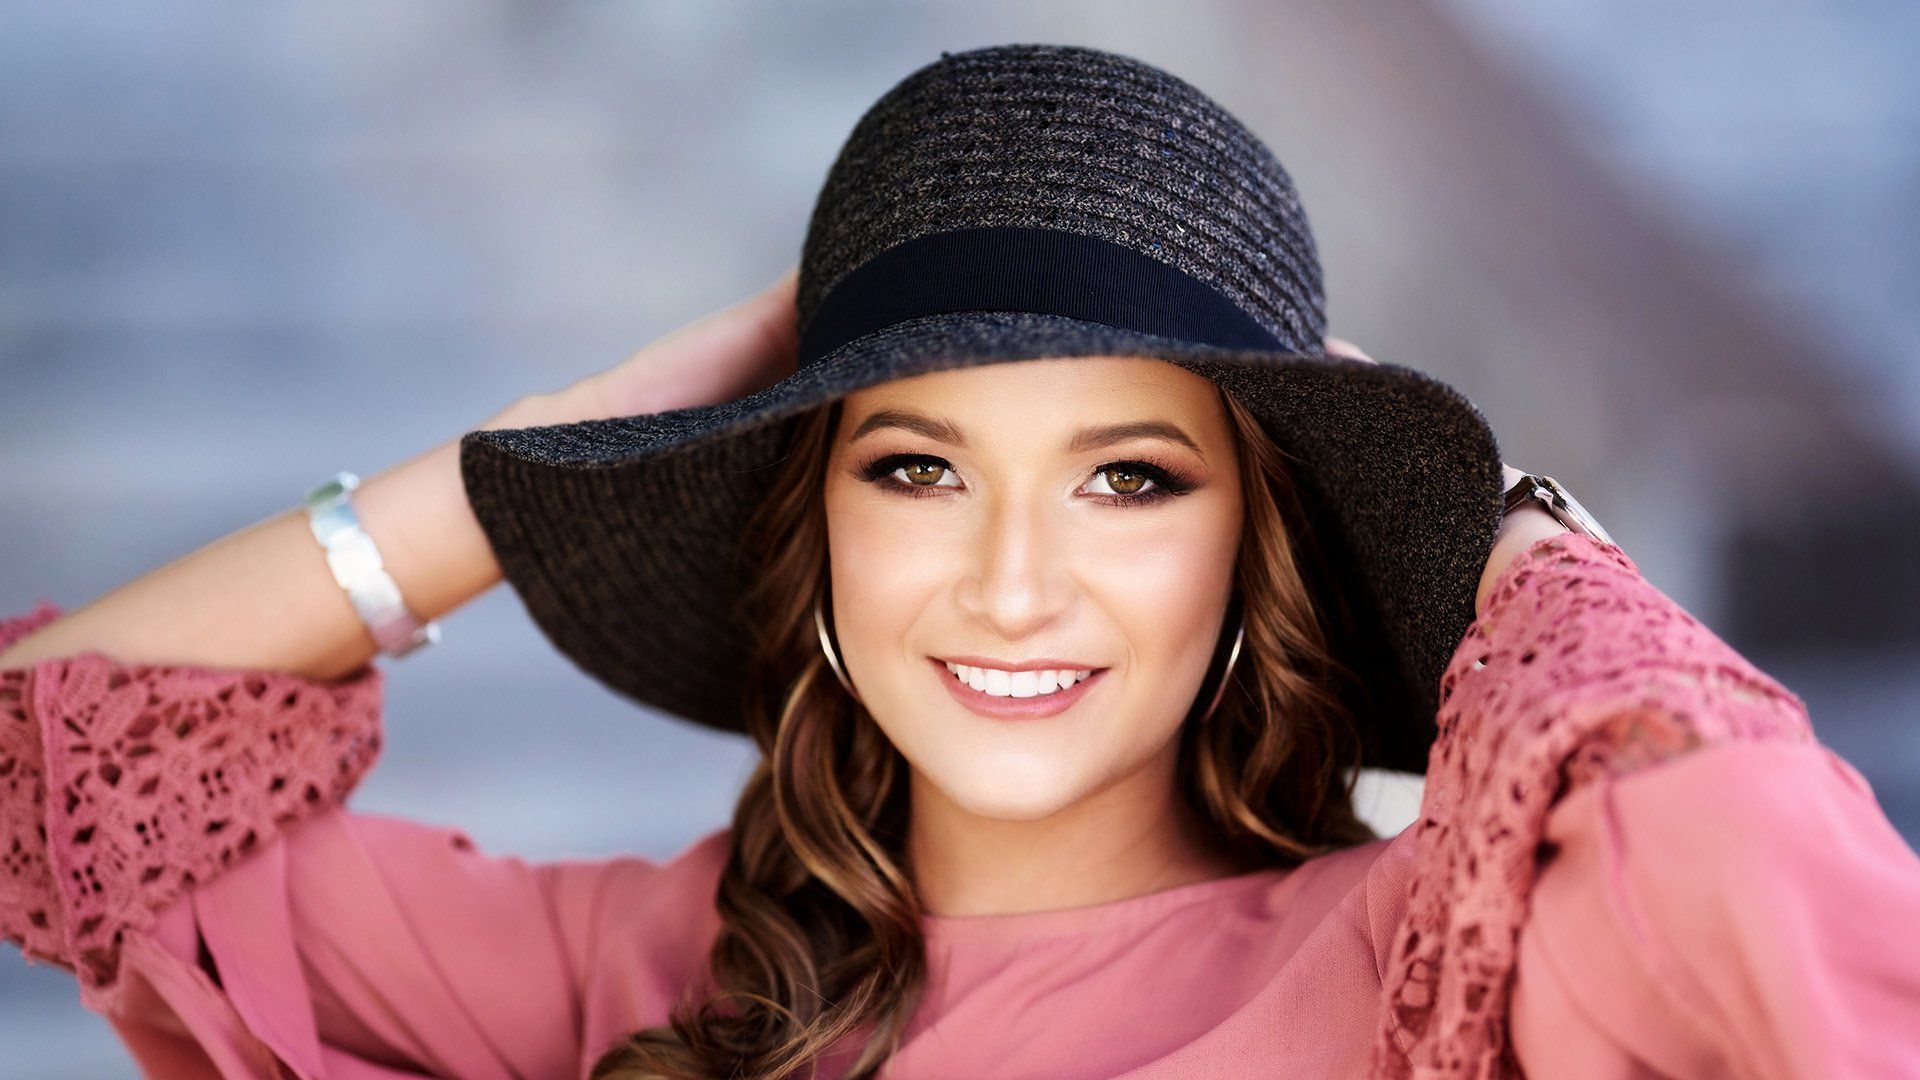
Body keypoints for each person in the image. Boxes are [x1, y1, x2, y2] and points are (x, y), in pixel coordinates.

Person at [9, 40, 1920, 1080]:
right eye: (918, 467)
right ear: (814, 520)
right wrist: (582, 440)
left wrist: (1495, 528)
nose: (1013, 583)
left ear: (1255, 543)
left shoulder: (1456, 966)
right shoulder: (636, 982)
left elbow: (1747, 855)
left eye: (1133, 481)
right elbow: (41, 770)